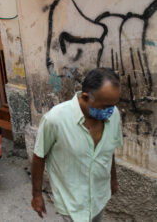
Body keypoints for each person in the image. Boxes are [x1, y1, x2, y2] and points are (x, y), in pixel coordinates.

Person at [31, 68, 123, 222]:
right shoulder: (55, 119)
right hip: (71, 203)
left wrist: (112, 179)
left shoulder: (113, 114)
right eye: (105, 106)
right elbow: (39, 157)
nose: (110, 111)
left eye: (113, 105)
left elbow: (109, 150)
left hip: (99, 197)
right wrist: (37, 195)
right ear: (86, 97)